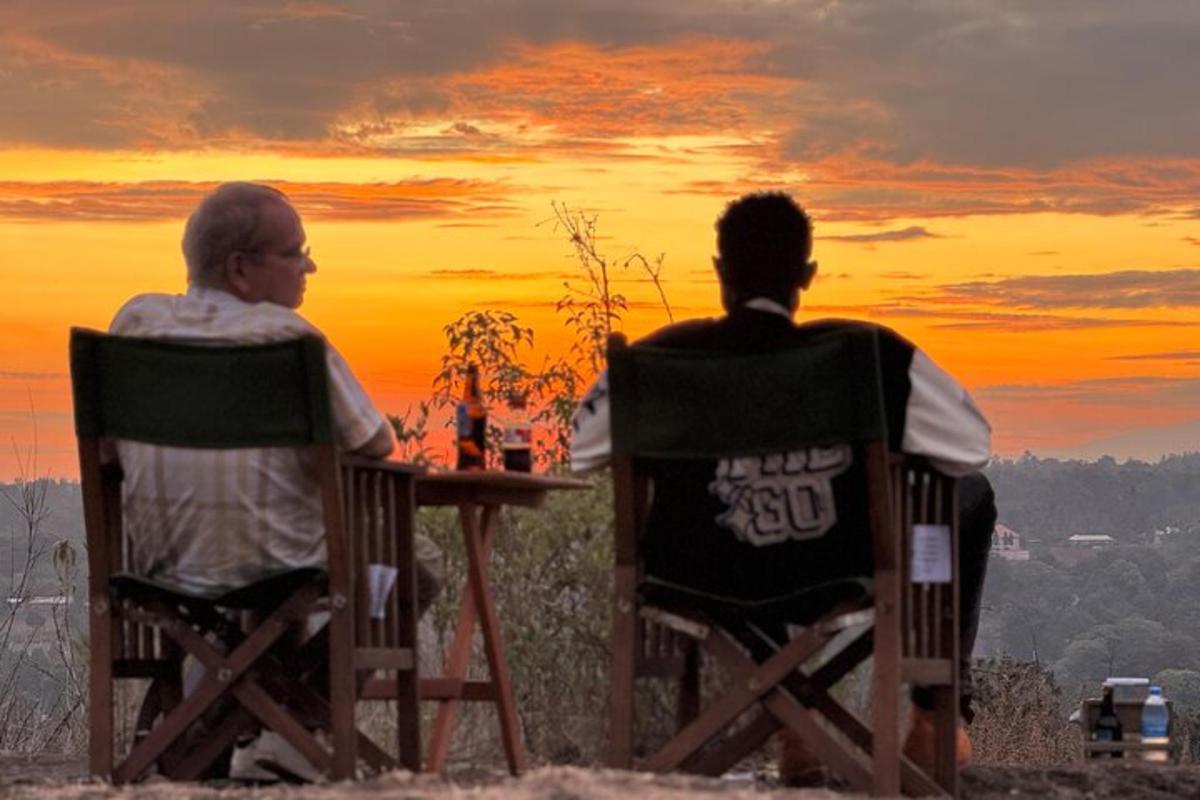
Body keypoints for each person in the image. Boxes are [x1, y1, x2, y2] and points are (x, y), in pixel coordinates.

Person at [570, 192, 996, 784]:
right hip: (838, 569)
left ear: (720, 271)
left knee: (746, 552)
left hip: (692, 575)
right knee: (969, 493)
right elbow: (971, 445)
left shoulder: (657, 361)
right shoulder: (868, 353)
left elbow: (583, 449)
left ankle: (794, 724)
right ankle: (934, 714)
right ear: (806, 274)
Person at [108, 181, 442, 780]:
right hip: (274, 570)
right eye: (295, 252)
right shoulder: (287, 339)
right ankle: (292, 733)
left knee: (273, 581)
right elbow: (375, 443)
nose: (309, 265)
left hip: (156, 569)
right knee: (401, 574)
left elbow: (107, 449)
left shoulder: (134, 324)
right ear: (241, 269)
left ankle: (208, 726)